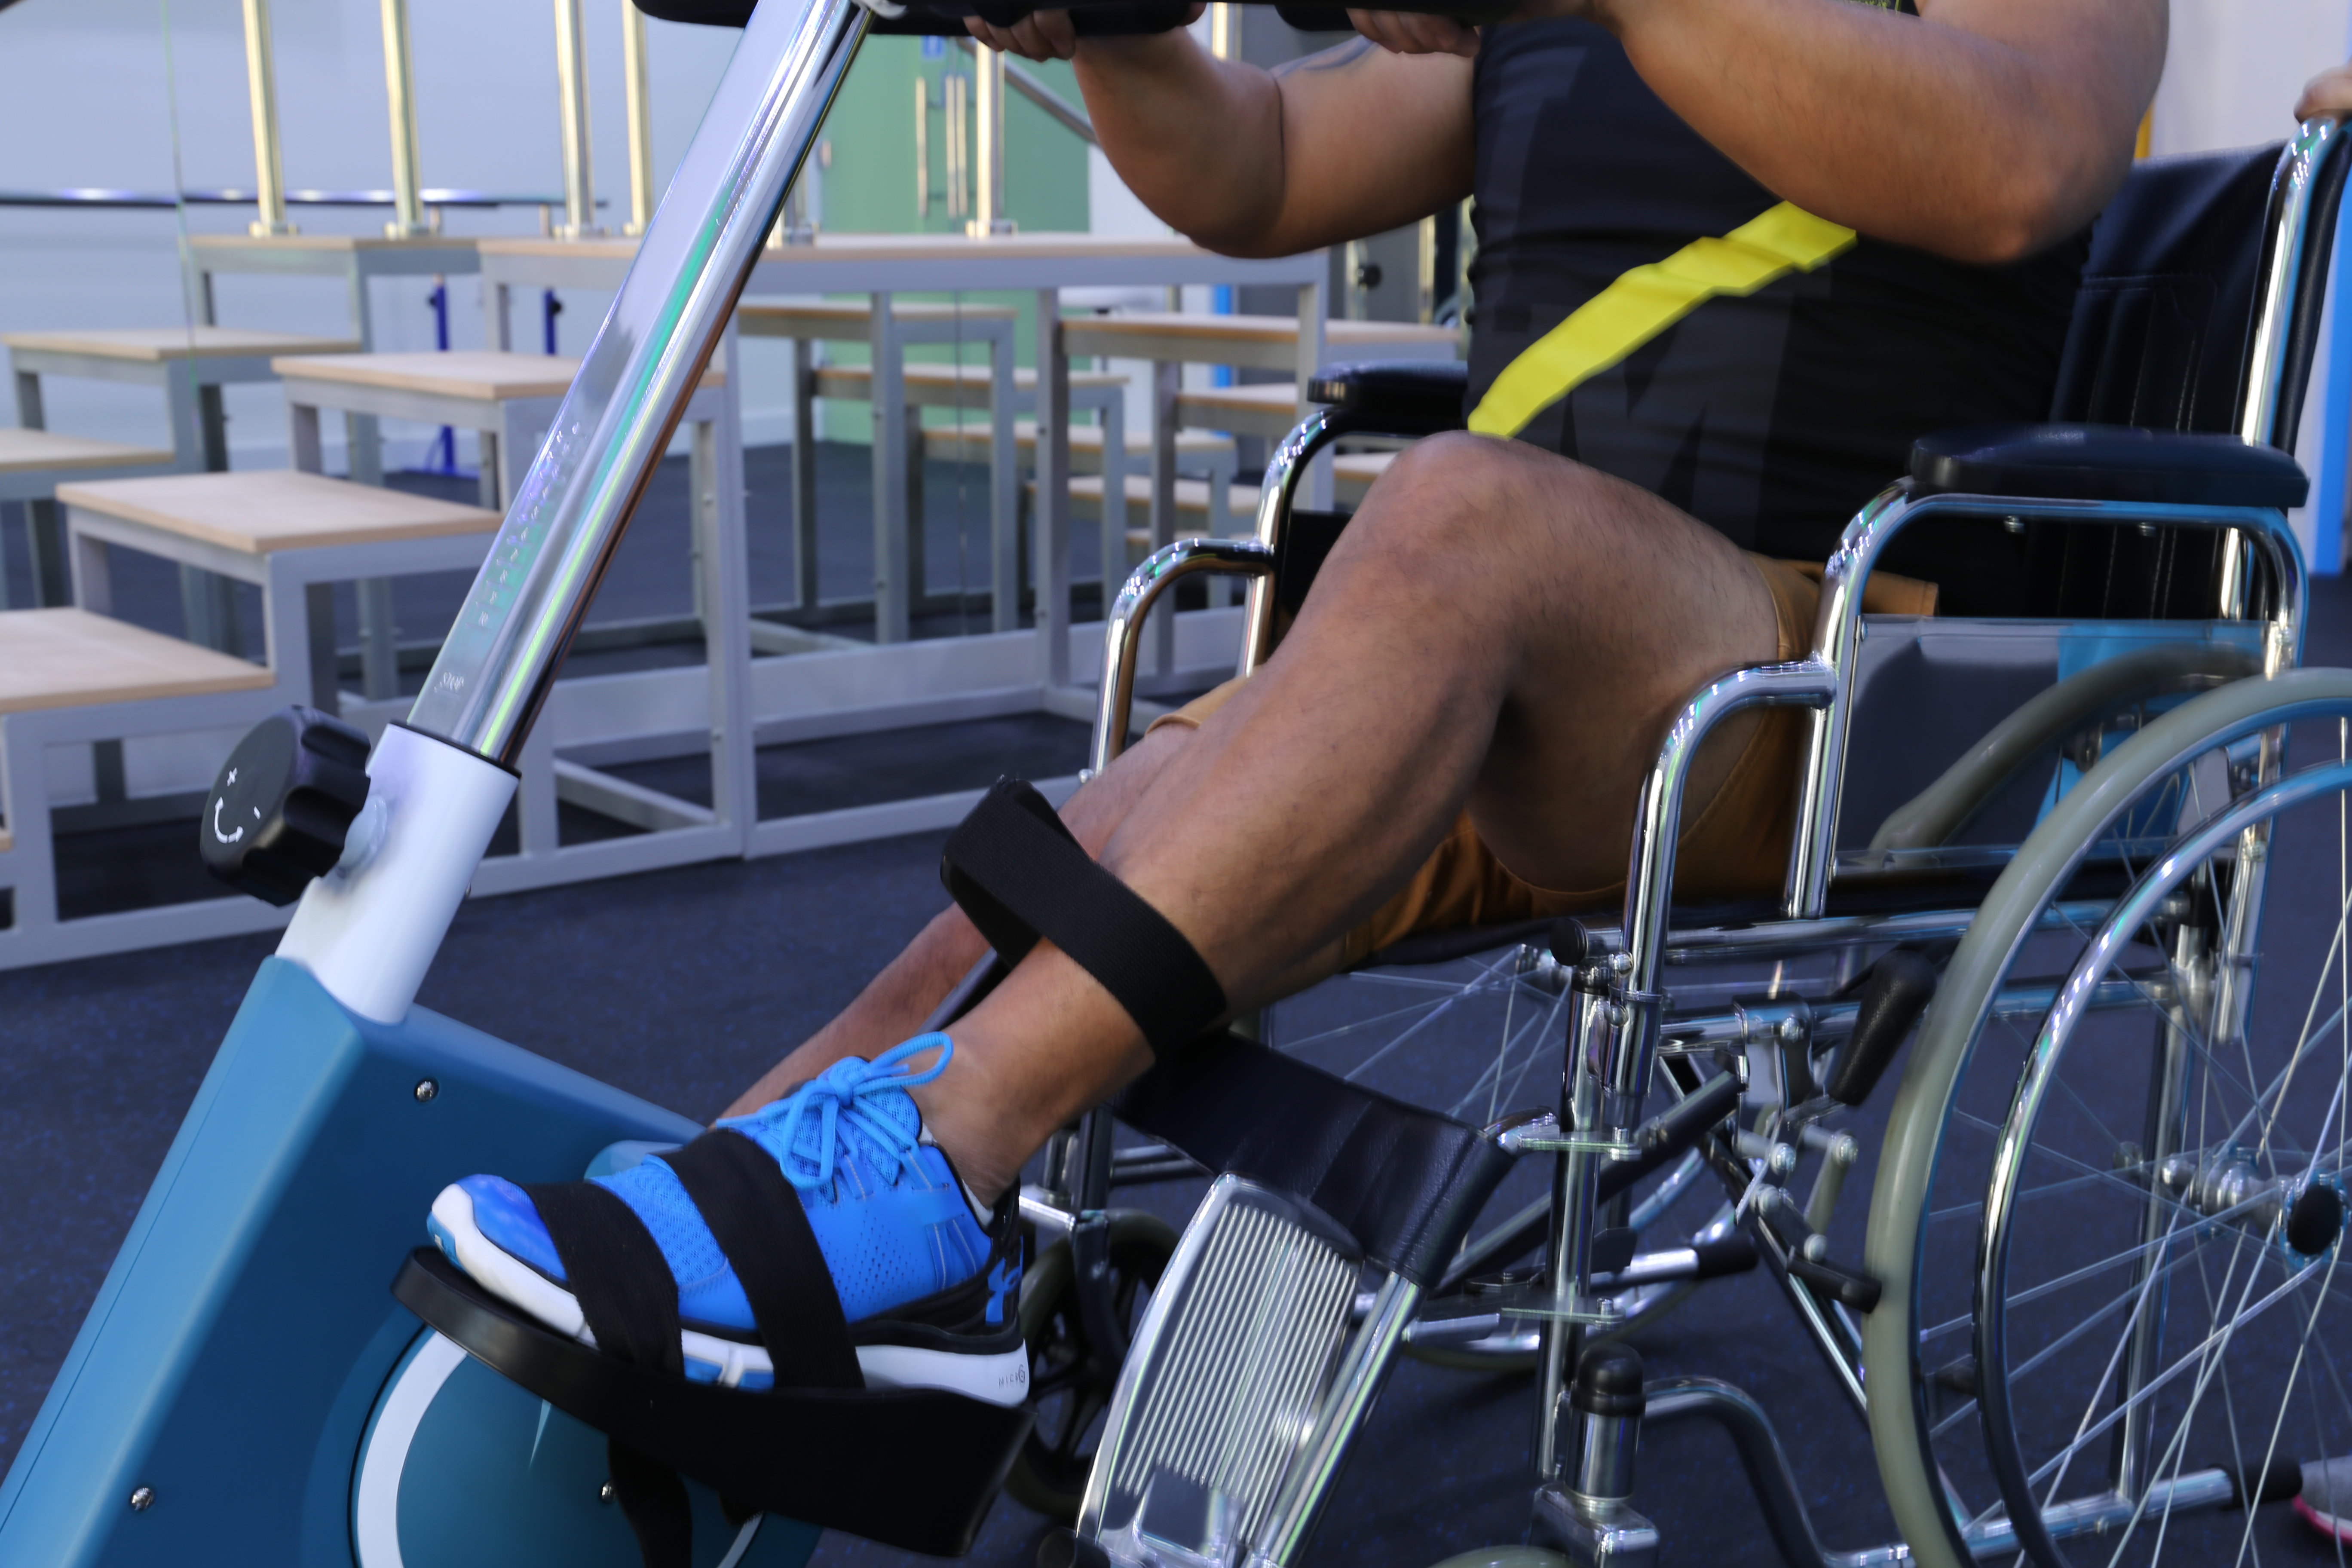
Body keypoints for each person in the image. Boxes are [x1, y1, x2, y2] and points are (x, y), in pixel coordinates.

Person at [424, 0, 2164, 1396]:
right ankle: (681, 1238)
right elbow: (1255, 164)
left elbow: (2018, 161)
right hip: (1494, 662)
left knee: (1458, 511)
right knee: (1042, 896)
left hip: (1827, 670)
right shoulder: (1527, 36)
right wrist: (1117, 33)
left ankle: (942, 1163)